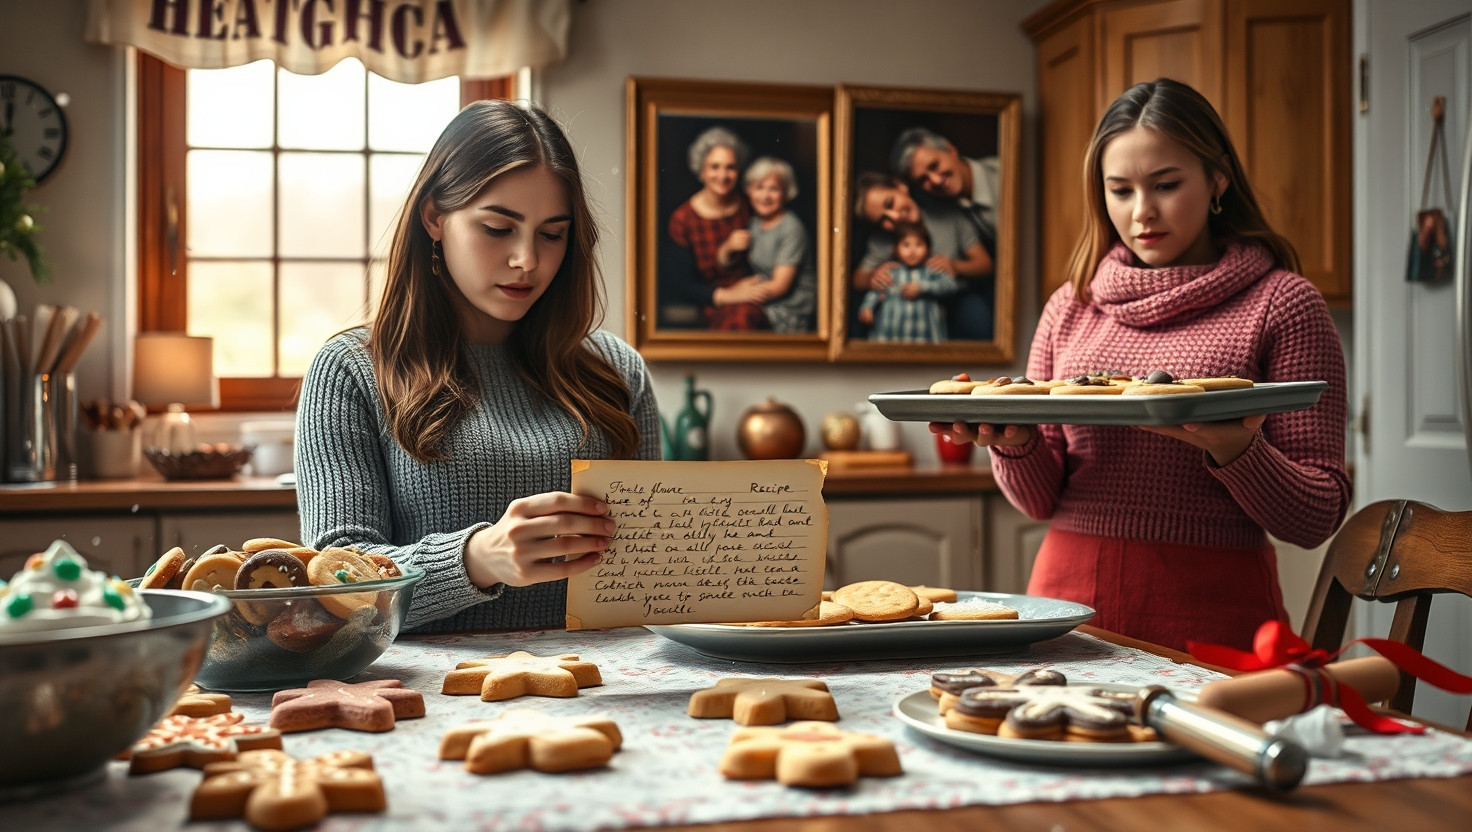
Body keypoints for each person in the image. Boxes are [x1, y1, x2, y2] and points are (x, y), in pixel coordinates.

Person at [931, 78, 1350, 652]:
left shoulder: (1284, 303)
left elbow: (1316, 517)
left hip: (1214, 614)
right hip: (1065, 603)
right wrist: (1012, 441)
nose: (1142, 212)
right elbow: (1037, 500)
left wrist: (1234, 448)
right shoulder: (1069, 306)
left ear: (1218, 178)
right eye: (1120, 190)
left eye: (1166, 184)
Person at [295, 100, 662, 634]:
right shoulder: (350, 372)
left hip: (616, 690)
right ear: (434, 217)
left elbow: (651, 572)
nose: (527, 260)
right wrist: (476, 560)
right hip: (434, 699)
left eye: (552, 234)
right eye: (497, 228)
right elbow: (336, 590)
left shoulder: (617, 370)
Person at [851, 172, 994, 340]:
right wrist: (874, 277)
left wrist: (955, 266)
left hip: (955, 298)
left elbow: (985, 265)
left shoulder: (948, 216)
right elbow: (858, 279)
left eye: (890, 203)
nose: (895, 217)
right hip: (907, 311)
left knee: (978, 319)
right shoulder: (882, 240)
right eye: (883, 220)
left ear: (900, 187)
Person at [662, 126, 770, 330]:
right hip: (712, 304)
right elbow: (681, 286)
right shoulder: (683, 218)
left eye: (730, 167)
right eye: (714, 167)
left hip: (756, 295)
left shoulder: (750, 206)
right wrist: (729, 295)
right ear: (701, 170)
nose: (723, 175)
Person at [729, 156, 818, 334]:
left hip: (790, 309)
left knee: (738, 318)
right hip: (765, 300)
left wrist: (734, 294)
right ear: (749, 191)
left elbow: (780, 286)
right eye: (759, 187)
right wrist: (728, 248)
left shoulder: (791, 227)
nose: (765, 196)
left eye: (774, 189)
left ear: (786, 193)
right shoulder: (754, 223)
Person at [857, 221, 958, 343]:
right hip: (891, 335)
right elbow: (876, 291)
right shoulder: (890, 271)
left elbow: (951, 285)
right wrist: (867, 307)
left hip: (925, 336)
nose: (912, 251)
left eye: (919, 245)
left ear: (928, 249)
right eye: (906, 245)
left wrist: (923, 287)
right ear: (896, 249)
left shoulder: (931, 271)